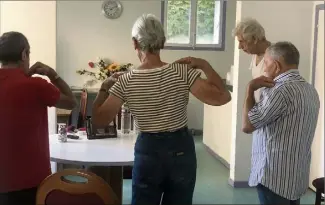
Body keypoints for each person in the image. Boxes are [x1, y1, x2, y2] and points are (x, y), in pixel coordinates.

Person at [92, 14, 231, 205]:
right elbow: (223, 97)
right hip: (181, 150)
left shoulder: (126, 80)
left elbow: (99, 121)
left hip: (148, 150)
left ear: (135, 43)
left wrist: (104, 87)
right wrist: (204, 65)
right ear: (162, 41)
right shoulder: (181, 72)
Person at [0, 31, 77, 205]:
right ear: (24, 54)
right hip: (31, 181)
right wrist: (52, 74)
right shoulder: (36, 85)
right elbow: (71, 102)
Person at [242, 41, 320, 205]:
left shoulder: (278, 90)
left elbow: (247, 125)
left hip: (274, 176)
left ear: (276, 65)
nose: (264, 69)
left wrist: (250, 89)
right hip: (296, 175)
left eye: (267, 63)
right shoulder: (310, 90)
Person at [232, 17, 271, 102]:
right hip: (259, 110)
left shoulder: (274, 56)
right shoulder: (255, 54)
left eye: (242, 41)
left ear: (255, 39)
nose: (239, 47)